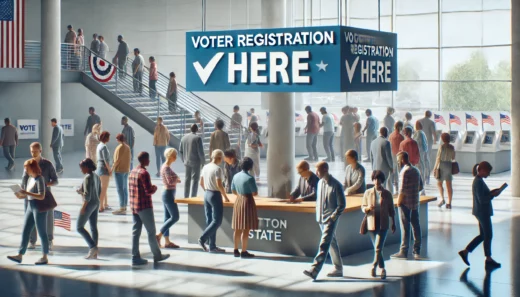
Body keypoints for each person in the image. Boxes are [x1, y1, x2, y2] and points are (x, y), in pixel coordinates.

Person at [303, 161, 346, 280]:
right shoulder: (320, 183)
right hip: (321, 218)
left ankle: (314, 269)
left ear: (325, 169)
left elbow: (342, 205)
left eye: (318, 170)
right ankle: (338, 268)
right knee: (331, 242)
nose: (316, 172)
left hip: (330, 219)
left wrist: (333, 217)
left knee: (324, 244)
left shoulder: (336, 185)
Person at [458, 161, 502, 269]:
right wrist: (492, 195)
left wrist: (491, 193)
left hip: (481, 211)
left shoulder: (479, 181)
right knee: (488, 235)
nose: (488, 174)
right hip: (482, 212)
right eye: (487, 172)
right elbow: (482, 200)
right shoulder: (478, 182)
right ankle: (488, 258)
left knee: (483, 235)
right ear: (481, 170)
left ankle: (466, 251)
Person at [129, 152, 170, 266]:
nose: (149, 161)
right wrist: (155, 188)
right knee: (151, 232)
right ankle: (157, 255)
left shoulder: (132, 172)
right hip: (144, 206)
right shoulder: (144, 173)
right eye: (148, 159)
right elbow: (148, 191)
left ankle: (135, 256)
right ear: (145, 160)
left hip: (134, 206)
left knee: (135, 232)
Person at [8, 159, 50, 265]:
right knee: (26, 230)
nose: (25, 169)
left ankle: (44, 256)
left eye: (26, 167)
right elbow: (28, 195)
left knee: (42, 232)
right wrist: (20, 195)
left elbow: (41, 195)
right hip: (30, 206)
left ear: (32, 167)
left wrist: (25, 192)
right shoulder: (30, 179)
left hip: (39, 207)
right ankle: (20, 254)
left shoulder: (40, 179)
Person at [22, 142, 58, 250]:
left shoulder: (47, 164)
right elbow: (24, 179)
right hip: (30, 197)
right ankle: (32, 241)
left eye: (35, 151)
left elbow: (55, 180)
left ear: (40, 151)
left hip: (44, 196)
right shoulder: (28, 164)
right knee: (29, 219)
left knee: (48, 219)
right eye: (32, 151)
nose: (33, 153)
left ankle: (49, 240)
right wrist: (21, 191)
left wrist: (46, 184)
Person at [361, 170, 396, 279]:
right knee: (378, 249)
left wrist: (393, 223)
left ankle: (374, 266)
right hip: (371, 222)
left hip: (383, 223)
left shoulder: (387, 194)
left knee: (377, 247)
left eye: (379, 179)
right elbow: (363, 206)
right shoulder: (368, 192)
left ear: (382, 180)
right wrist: (367, 208)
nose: (377, 181)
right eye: (375, 179)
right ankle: (382, 269)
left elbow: (391, 209)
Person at [391, 151, 423, 260]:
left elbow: (402, 190)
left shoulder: (404, 172)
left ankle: (403, 251)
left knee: (405, 227)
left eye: (398, 160)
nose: (397, 163)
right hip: (415, 202)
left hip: (405, 204)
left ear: (402, 160)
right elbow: (420, 187)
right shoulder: (416, 170)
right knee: (416, 226)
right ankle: (417, 250)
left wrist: (398, 202)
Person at [198, 149, 230, 253]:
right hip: (215, 195)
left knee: (210, 220)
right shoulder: (217, 169)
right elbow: (219, 184)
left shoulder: (205, 167)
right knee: (217, 220)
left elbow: (201, 183)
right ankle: (203, 239)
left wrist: (206, 190)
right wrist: (225, 196)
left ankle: (212, 246)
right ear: (220, 158)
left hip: (206, 194)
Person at [231, 157, 259, 258]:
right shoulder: (250, 178)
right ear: (250, 167)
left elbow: (233, 190)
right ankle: (244, 251)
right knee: (246, 229)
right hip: (247, 201)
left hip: (238, 201)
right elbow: (255, 193)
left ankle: (235, 250)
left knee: (237, 228)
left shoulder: (235, 176)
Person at [156, 148, 181, 249]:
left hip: (168, 193)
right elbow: (170, 182)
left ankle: (166, 241)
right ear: (171, 156)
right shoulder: (166, 168)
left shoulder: (166, 167)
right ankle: (159, 235)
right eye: (174, 155)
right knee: (175, 217)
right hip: (168, 193)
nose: (176, 157)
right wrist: (177, 180)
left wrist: (176, 179)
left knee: (167, 217)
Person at [76, 158, 101, 259]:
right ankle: (94, 250)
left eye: (82, 168)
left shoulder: (87, 178)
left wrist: (83, 207)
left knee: (79, 227)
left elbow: (87, 195)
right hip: (96, 202)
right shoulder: (96, 176)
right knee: (93, 227)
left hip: (89, 204)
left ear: (86, 167)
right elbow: (99, 190)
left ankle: (92, 246)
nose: (81, 170)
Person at [179, 124, 205, 198]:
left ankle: (186, 196)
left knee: (187, 179)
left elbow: (180, 151)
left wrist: (183, 160)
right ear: (197, 129)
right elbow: (200, 152)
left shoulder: (183, 137)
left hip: (187, 162)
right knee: (195, 180)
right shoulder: (198, 138)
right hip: (196, 162)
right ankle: (193, 196)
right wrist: (203, 162)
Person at [433, 132, 456, 209]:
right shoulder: (452, 147)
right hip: (449, 165)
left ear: (442, 139)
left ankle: (442, 198)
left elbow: (438, 158)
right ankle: (449, 202)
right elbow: (453, 157)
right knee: (449, 185)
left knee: (439, 183)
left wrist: (435, 167)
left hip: (442, 165)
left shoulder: (441, 147)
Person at [111, 134, 131, 215]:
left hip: (119, 170)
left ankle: (122, 207)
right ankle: (124, 206)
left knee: (120, 189)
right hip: (126, 170)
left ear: (118, 139)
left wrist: (112, 168)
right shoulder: (127, 147)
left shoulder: (120, 147)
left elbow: (117, 160)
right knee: (125, 188)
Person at [370, 127, 394, 193]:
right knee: (384, 184)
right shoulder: (386, 142)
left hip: (375, 168)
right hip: (384, 168)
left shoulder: (373, 142)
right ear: (385, 133)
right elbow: (388, 157)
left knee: (377, 185)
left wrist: (373, 168)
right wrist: (392, 167)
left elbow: (371, 157)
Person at [418, 110, 437, 185]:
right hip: (428, 142)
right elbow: (433, 133)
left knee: (421, 159)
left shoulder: (419, 121)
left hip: (420, 142)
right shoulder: (431, 122)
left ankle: (421, 176)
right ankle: (427, 177)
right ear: (430, 115)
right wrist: (435, 141)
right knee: (427, 159)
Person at [96, 131, 112, 212]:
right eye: (108, 137)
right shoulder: (104, 147)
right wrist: (110, 170)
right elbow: (106, 161)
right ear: (106, 138)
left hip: (99, 168)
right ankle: (101, 206)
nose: (109, 138)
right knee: (104, 188)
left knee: (103, 188)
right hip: (104, 169)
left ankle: (105, 204)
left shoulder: (99, 145)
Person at [389, 121, 405, 193]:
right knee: (400, 172)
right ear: (400, 127)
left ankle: (393, 188)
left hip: (392, 155)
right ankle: (398, 188)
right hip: (399, 156)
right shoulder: (400, 137)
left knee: (393, 172)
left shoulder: (391, 135)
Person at [413, 121, 428, 195]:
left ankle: (421, 189)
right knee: (422, 170)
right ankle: (422, 188)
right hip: (421, 154)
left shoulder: (418, 133)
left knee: (420, 171)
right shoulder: (422, 133)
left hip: (418, 155)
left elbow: (416, 143)